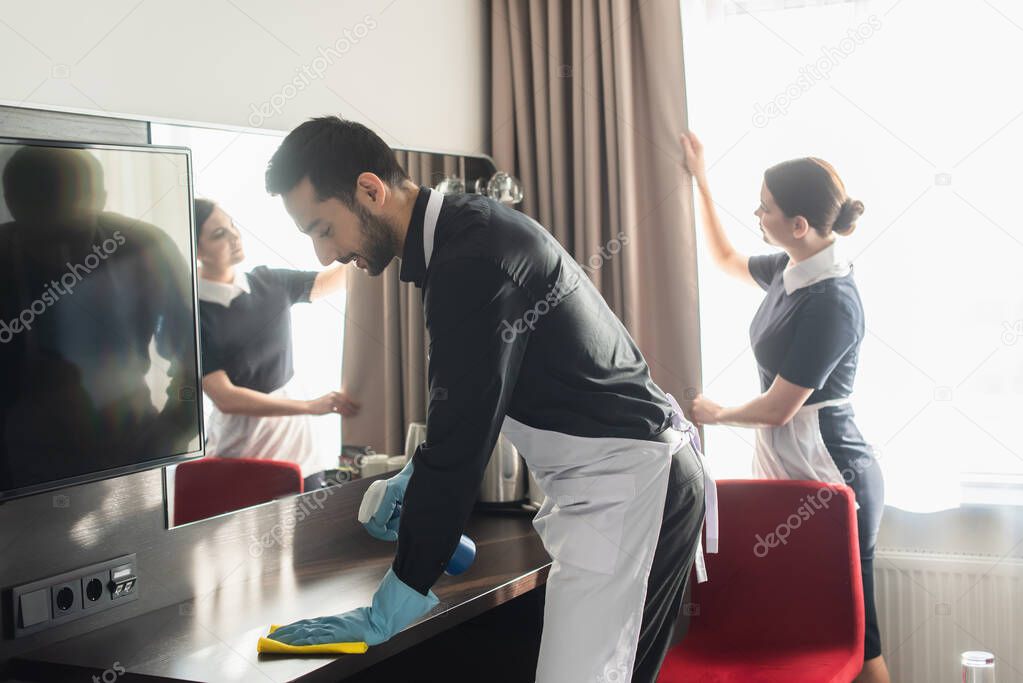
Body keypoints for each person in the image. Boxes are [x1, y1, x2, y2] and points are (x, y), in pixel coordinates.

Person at [263, 117, 712, 683]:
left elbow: (462, 438)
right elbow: (482, 394)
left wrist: (397, 598)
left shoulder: (471, 259)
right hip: (624, 482)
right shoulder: (465, 234)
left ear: (370, 190)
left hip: (634, 488)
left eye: (323, 229)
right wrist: (414, 481)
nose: (325, 255)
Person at [680, 131, 889, 683]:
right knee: (789, 623)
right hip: (788, 458)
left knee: (857, 639)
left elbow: (778, 409)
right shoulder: (789, 268)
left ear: (799, 225)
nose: (756, 213)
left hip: (831, 469)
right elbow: (725, 259)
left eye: (765, 207)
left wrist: (715, 412)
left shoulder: (833, 300)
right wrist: (701, 180)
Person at [0, 145, 199, 492]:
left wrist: (173, 431)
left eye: (73, 235)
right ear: (13, 206)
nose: (60, 256)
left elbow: (194, 353)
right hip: (15, 468)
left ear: (102, 200)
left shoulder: (146, 247)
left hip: (133, 451)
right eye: (43, 237)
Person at [194, 198, 360, 491]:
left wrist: (361, 240)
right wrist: (310, 406)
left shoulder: (269, 282)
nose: (235, 236)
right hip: (240, 458)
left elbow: (334, 281)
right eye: (219, 234)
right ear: (195, 250)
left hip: (299, 453)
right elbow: (226, 397)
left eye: (232, 225)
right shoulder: (194, 313)